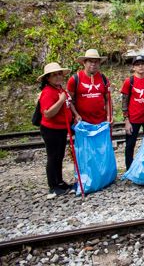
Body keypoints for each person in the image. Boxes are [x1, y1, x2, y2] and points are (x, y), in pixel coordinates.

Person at [38, 62, 81, 197]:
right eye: (54, 75)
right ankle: (53, 186)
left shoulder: (60, 89)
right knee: (53, 157)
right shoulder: (48, 92)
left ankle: (60, 181)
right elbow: (48, 114)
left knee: (59, 156)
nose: (57, 77)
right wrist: (60, 101)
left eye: (59, 74)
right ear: (48, 78)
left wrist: (75, 114)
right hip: (51, 130)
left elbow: (68, 103)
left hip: (62, 128)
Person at [120, 55, 144, 170]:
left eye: (143, 64)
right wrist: (126, 120)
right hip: (134, 119)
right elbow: (124, 102)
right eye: (137, 64)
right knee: (130, 145)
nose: (140, 66)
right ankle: (130, 169)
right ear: (133, 67)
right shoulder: (129, 82)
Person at [67, 49, 111, 125]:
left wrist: (109, 115)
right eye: (90, 61)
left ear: (99, 63)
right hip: (82, 122)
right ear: (84, 63)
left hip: (101, 121)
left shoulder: (104, 79)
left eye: (96, 61)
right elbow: (68, 100)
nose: (93, 64)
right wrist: (76, 115)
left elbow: (108, 99)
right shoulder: (75, 79)